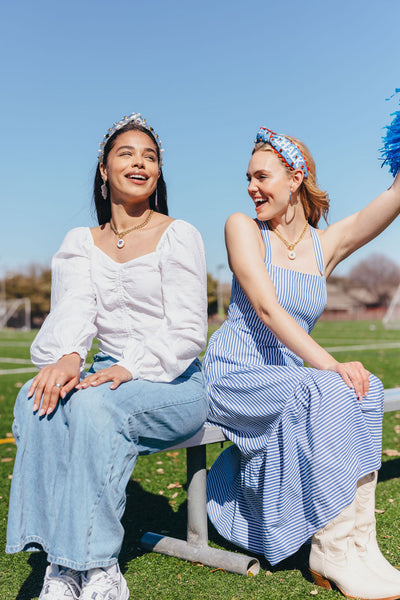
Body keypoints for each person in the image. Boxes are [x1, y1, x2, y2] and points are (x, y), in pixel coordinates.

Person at [6, 113, 209, 600]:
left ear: (158, 172)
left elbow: (187, 332)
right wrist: (71, 356)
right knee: (37, 399)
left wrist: (126, 368)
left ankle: (97, 567)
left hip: (175, 382)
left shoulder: (179, 234)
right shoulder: (81, 242)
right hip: (108, 374)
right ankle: (59, 566)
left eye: (151, 156)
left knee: (96, 407)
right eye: (127, 153)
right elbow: (75, 311)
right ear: (103, 169)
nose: (140, 163)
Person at [202, 127, 400, 599]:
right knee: (334, 384)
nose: (252, 188)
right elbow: (269, 310)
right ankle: (329, 551)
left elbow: (393, 198)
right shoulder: (242, 227)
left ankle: (358, 546)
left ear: (296, 179)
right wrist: (330, 366)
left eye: (262, 177)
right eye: (248, 178)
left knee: (367, 387)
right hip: (237, 373)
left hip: (290, 378)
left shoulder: (322, 245)